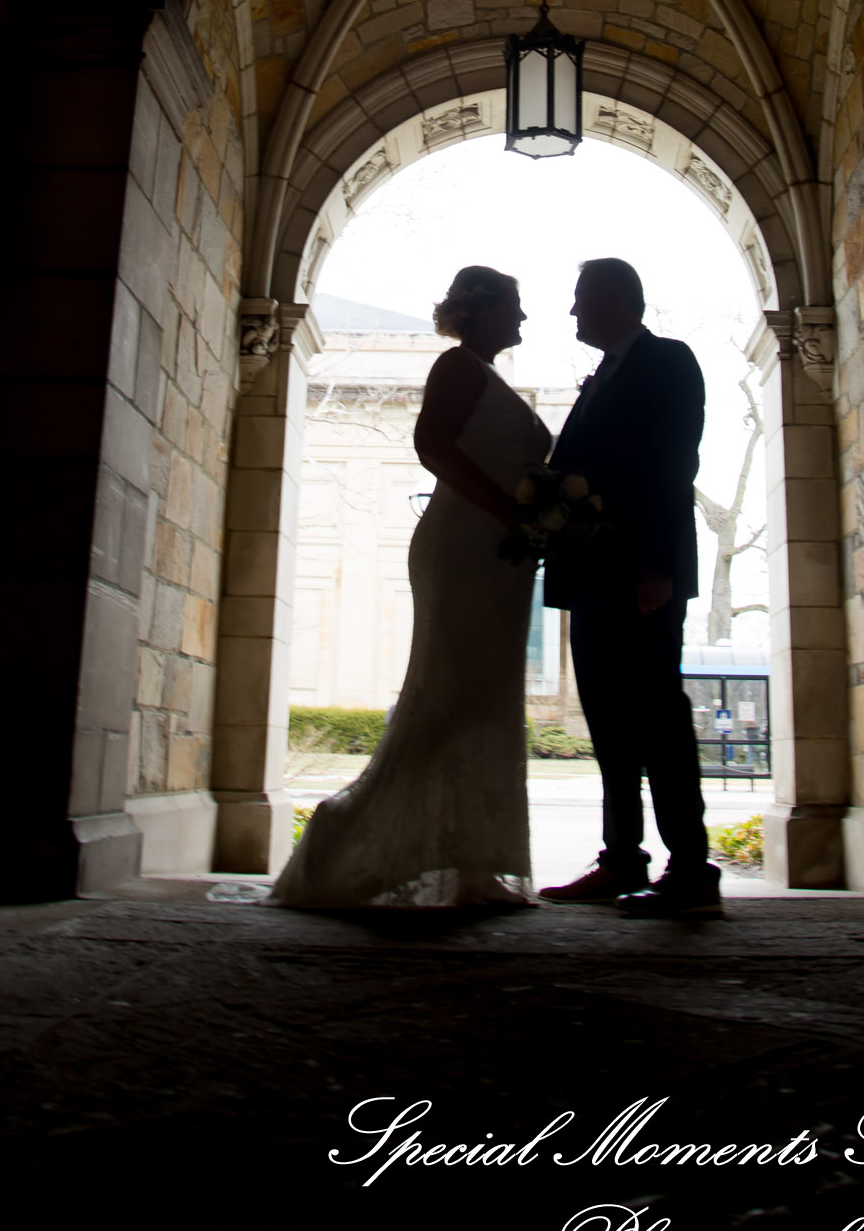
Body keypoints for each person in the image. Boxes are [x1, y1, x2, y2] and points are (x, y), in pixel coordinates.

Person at [271, 266, 548, 909]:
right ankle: (343, 842)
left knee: (486, 699)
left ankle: (475, 863)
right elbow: (433, 446)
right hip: (464, 546)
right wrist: (509, 511)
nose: (524, 319)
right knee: (450, 692)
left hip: (499, 554)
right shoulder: (456, 367)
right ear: (478, 312)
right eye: (514, 305)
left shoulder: (487, 374)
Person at [538, 259, 722, 917]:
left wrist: (657, 566)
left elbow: (674, 461)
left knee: (658, 718)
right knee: (611, 723)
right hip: (592, 577)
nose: (572, 312)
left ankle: (693, 871)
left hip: (641, 575)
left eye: (581, 298)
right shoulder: (602, 377)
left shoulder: (667, 361)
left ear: (615, 299)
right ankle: (622, 859)